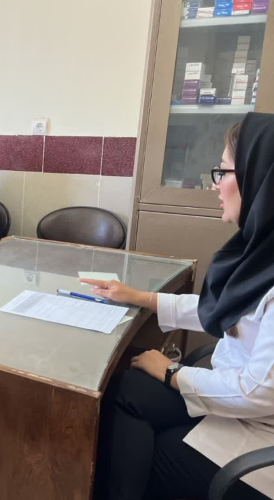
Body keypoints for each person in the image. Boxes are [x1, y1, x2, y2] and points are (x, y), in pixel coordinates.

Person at [84, 114, 274, 500]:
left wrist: (172, 373)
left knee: (133, 454)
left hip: (257, 439)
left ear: (260, 179)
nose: (215, 184)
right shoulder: (262, 251)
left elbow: (257, 393)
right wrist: (140, 297)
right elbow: (221, 308)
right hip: (239, 407)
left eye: (223, 171)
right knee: (125, 389)